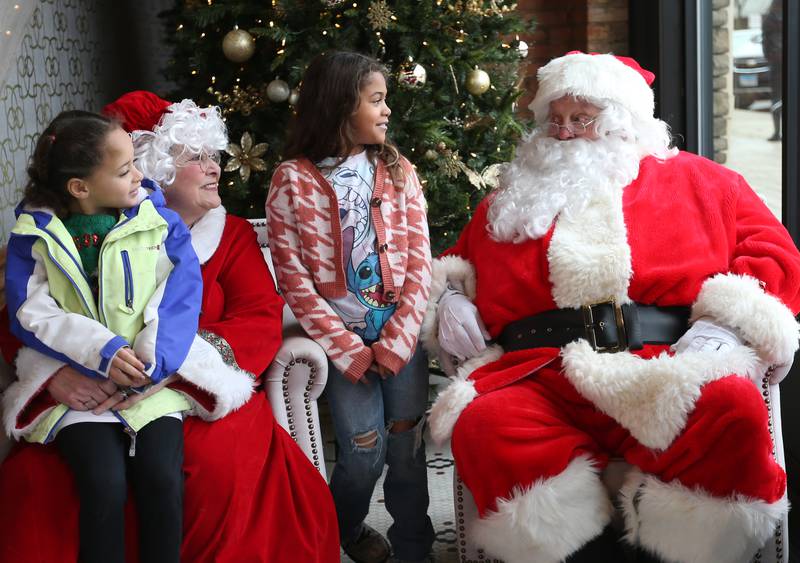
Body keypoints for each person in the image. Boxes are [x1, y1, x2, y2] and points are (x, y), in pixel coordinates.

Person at [421, 51, 800, 563]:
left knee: (726, 406)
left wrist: (728, 324)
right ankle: (580, 553)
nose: (564, 131)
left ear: (624, 123)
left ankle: (689, 551)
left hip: (667, 363)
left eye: (581, 118)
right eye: (554, 118)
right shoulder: (509, 201)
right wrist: (448, 297)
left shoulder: (705, 182)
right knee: (487, 423)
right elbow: (455, 262)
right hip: (537, 373)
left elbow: (774, 253)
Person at [0, 92, 340, 563]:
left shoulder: (233, 236)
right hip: (84, 390)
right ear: (148, 166)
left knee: (215, 469)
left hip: (188, 388)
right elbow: (22, 315)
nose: (215, 168)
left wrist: (170, 370)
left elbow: (260, 319)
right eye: (196, 158)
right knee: (40, 482)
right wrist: (57, 378)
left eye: (213, 156)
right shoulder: (59, 233)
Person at [4, 109, 202, 563]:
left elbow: (180, 296)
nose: (139, 175)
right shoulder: (33, 236)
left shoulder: (159, 222)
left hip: (150, 383)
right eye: (124, 169)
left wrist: (149, 364)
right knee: (103, 483)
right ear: (80, 188)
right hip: (81, 386)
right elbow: (30, 311)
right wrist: (103, 352)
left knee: (161, 478)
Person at [267, 51, 434, 563]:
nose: (387, 112)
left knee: (406, 447)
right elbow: (294, 281)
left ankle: (414, 546)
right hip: (345, 345)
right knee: (363, 451)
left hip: (400, 338)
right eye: (377, 100)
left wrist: (399, 340)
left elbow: (420, 259)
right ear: (342, 104)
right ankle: (342, 529)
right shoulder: (291, 181)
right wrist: (347, 350)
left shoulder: (397, 169)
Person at [763, 0, 782, 142]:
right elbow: (766, 41)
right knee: (776, 99)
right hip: (776, 64)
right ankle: (777, 132)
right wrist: (770, 56)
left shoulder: (771, 18)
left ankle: (778, 132)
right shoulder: (770, 19)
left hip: (779, 63)